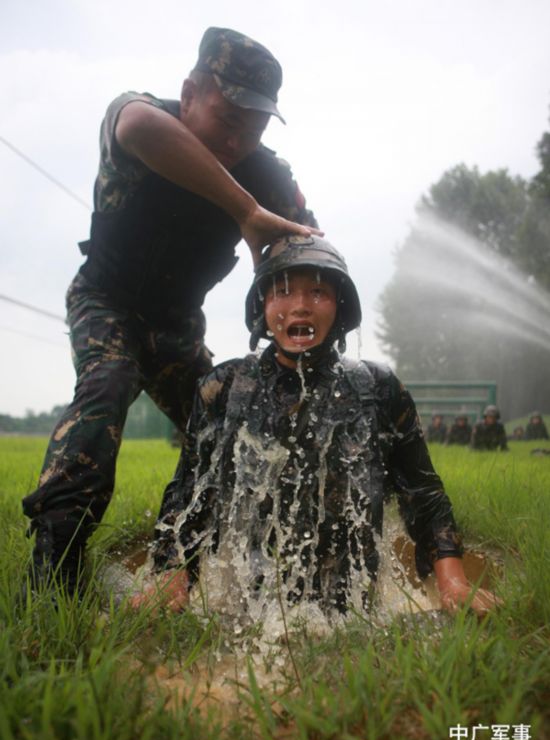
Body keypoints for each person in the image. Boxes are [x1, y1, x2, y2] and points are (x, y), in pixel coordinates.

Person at [22, 27, 320, 594]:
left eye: (252, 130)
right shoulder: (142, 120)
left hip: (178, 327)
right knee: (107, 385)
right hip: (107, 302)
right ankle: (54, 568)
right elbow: (135, 125)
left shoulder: (265, 173)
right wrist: (245, 210)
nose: (237, 143)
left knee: (227, 427)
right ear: (188, 94)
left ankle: (243, 548)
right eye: (226, 121)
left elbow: (311, 246)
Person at [133, 235, 498, 618]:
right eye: (283, 292)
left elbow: (423, 491)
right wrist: (170, 575)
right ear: (263, 305)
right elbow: (191, 490)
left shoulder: (378, 389)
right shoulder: (223, 388)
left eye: (318, 292)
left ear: (340, 307)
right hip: (250, 600)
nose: (301, 307)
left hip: (352, 600)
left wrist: (453, 583)